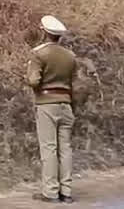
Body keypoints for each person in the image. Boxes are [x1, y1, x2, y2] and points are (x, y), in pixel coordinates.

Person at [27, 15, 77, 204]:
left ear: (44, 32)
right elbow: (75, 83)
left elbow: (33, 81)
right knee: (65, 148)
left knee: (49, 148)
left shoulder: (38, 54)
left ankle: (51, 191)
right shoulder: (70, 56)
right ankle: (67, 191)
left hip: (46, 103)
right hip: (66, 102)